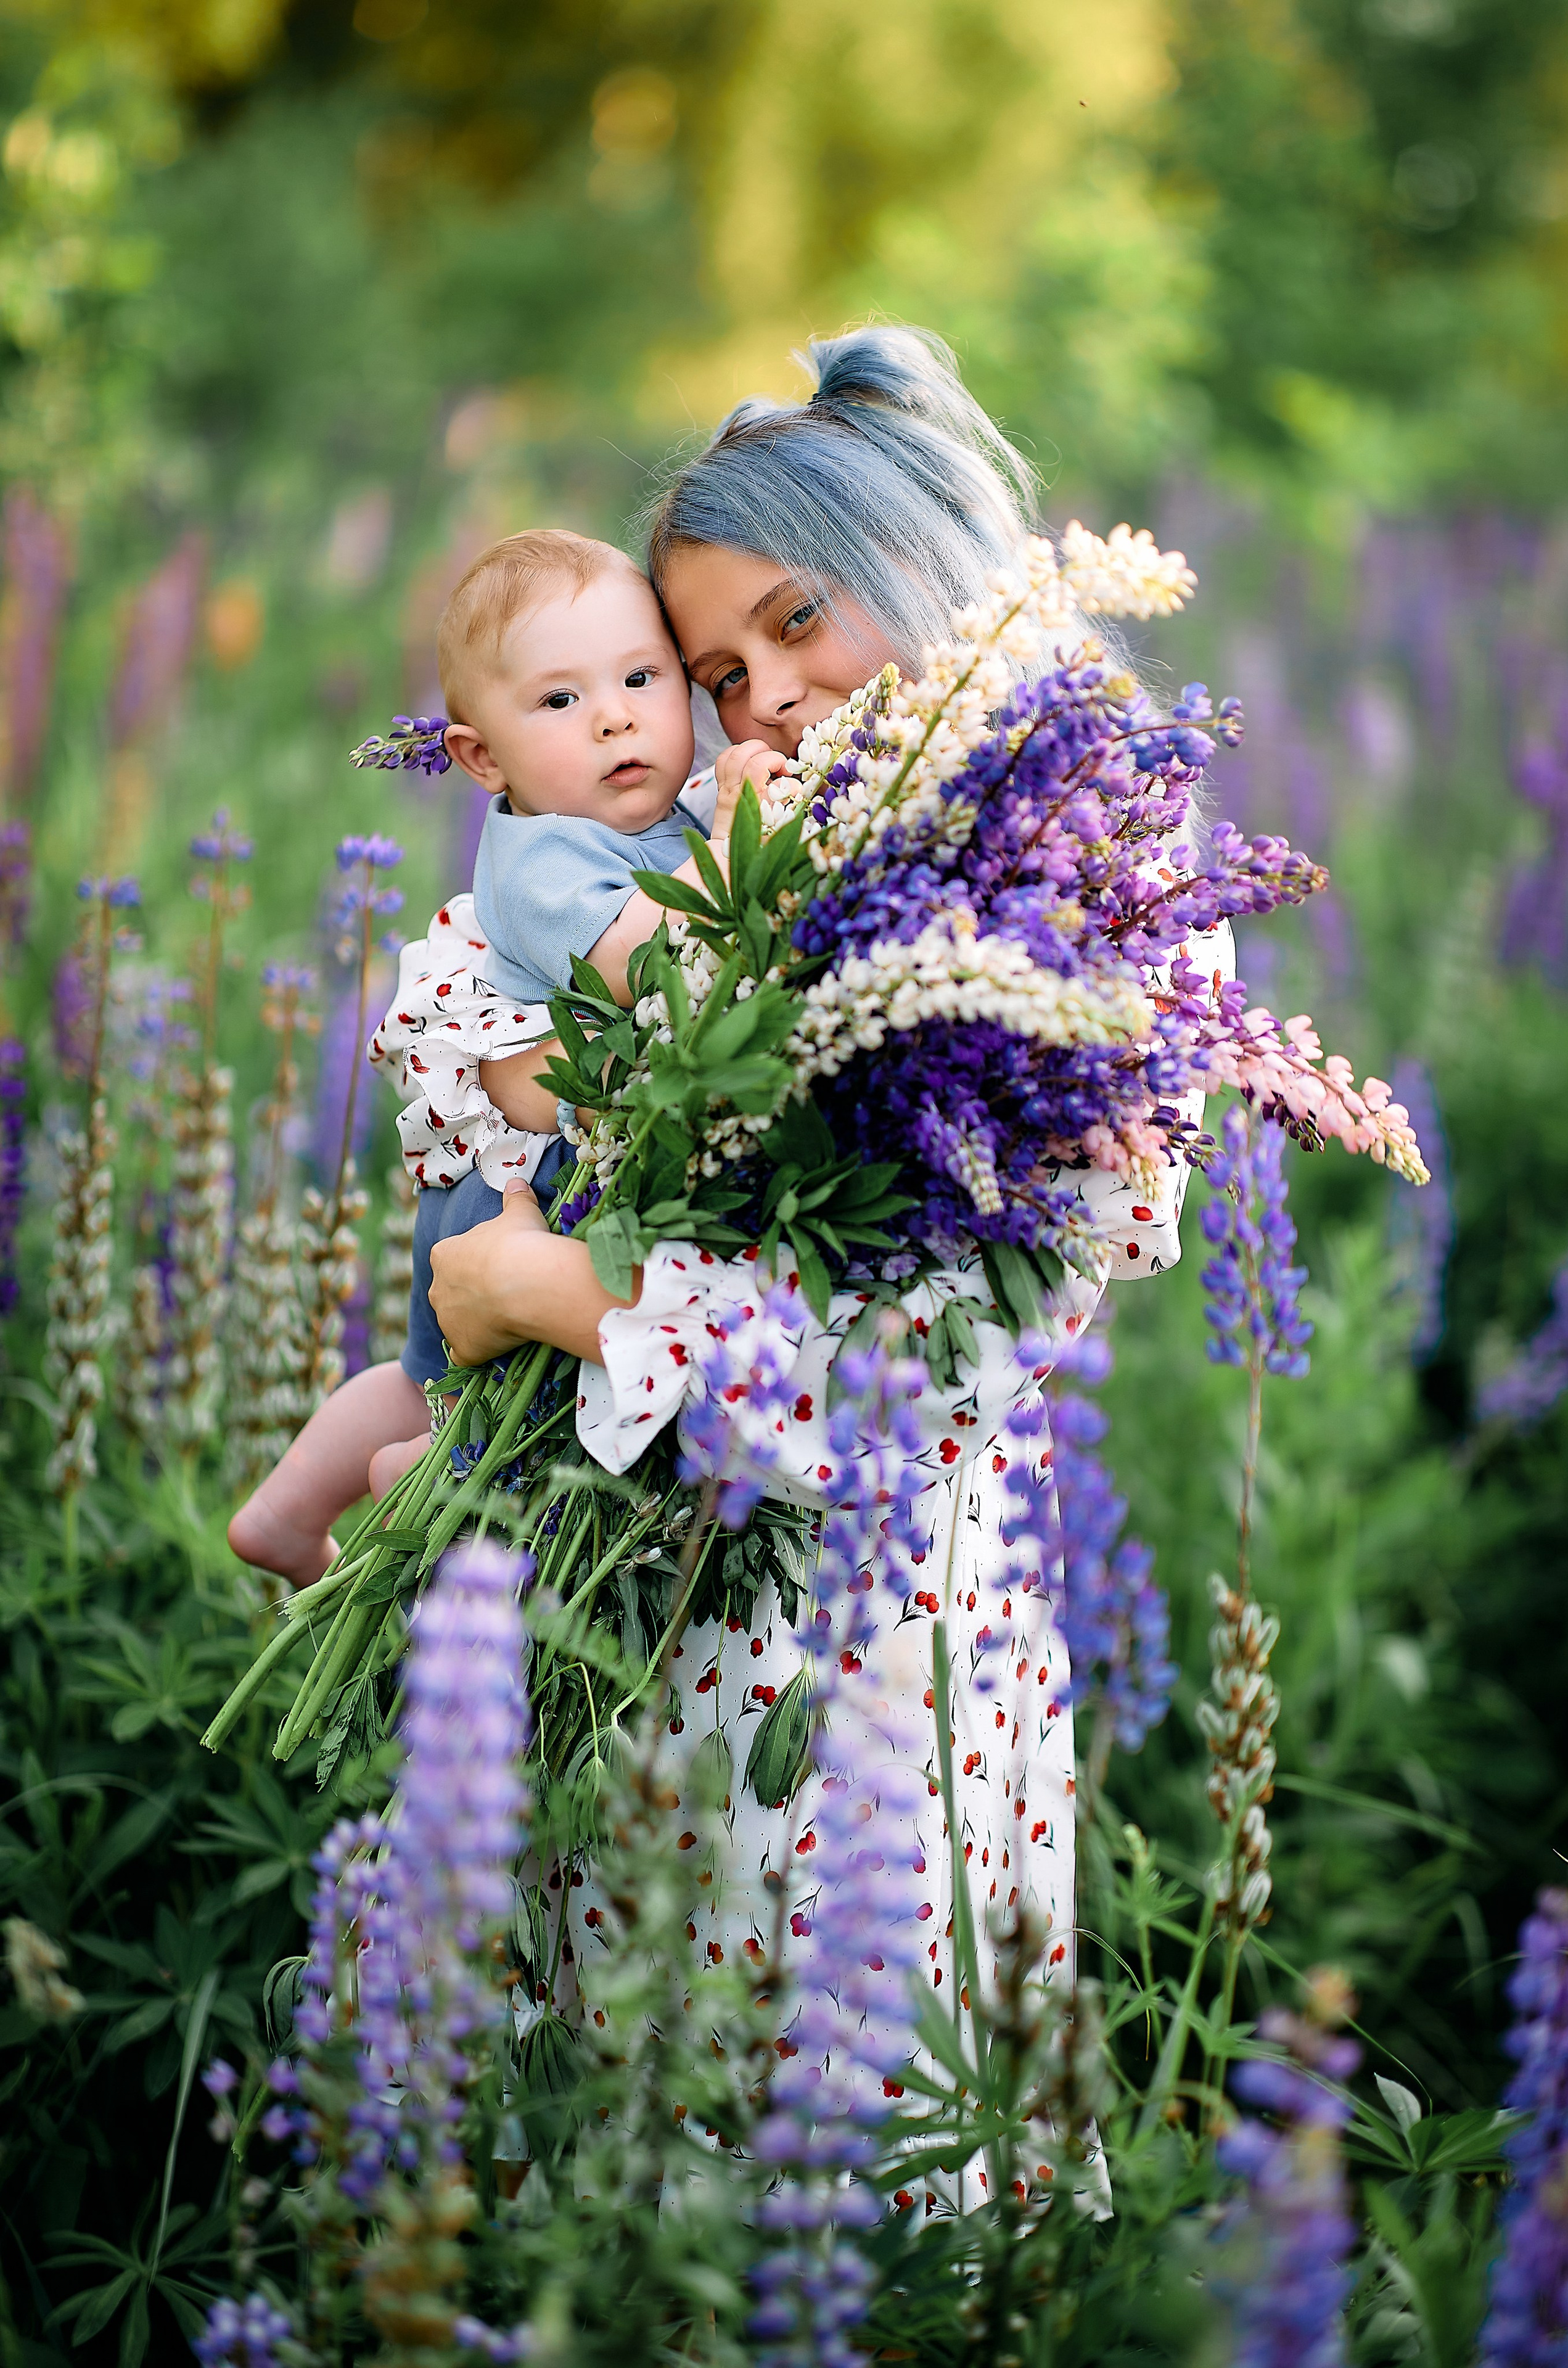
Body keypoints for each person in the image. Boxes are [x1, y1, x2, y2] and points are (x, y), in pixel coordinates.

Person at [410, 327, 1229, 2214]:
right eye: (711, 674)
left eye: (797, 624)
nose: (760, 697)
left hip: (877, 1649)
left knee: (846, 2180)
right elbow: (481, 1053)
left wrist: (571, 1301)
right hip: (629, 1622)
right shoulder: (721, 855)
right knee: (609, 2156)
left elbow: (950, 1356)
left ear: (929, 563)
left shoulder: (1104, 890)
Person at [228, 527, 782, 1585]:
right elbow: (644, 964)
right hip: (520, 1191)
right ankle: (397, 1482)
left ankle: (291, 1512)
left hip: (543, 1163)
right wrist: (738, 843)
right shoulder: (541, 859)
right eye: (561, 702)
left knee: (421, 1376)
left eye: (641, 677)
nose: (617, 714)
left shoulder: (650, 811)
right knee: (472, 1397)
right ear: (484, 757)